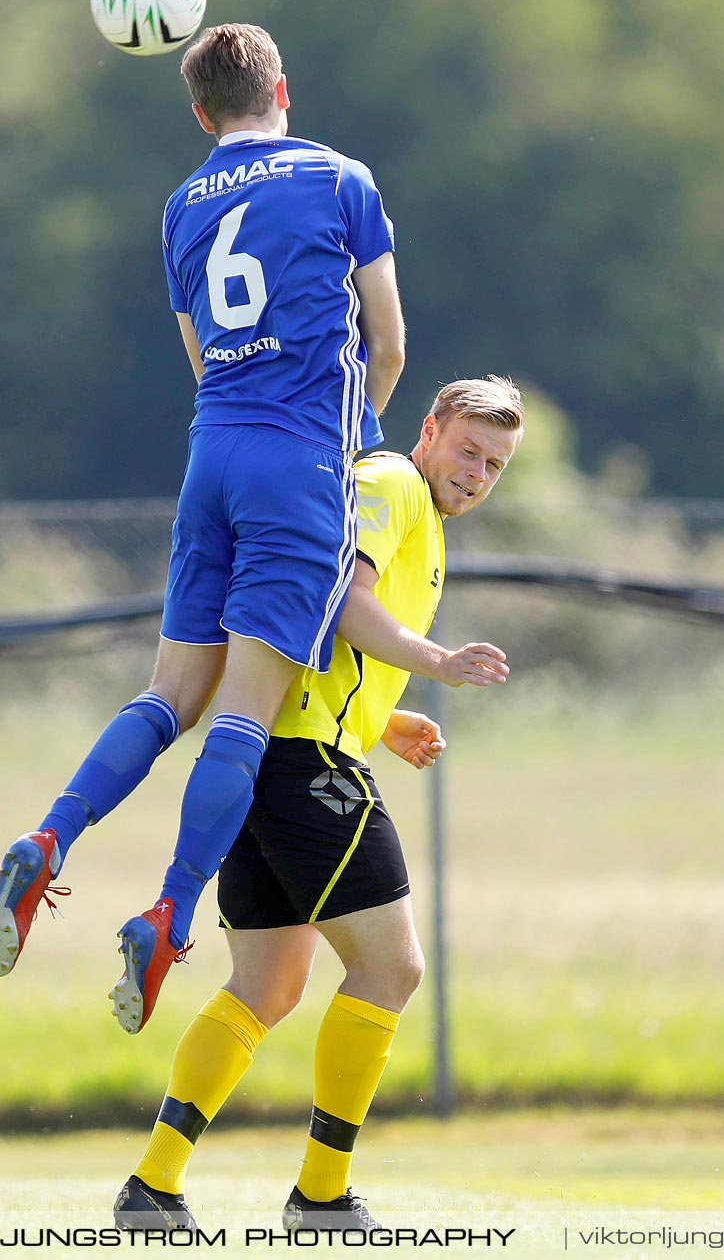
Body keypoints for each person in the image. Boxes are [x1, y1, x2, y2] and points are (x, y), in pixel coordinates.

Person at [0, 23, 421, 1033]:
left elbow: (200, 359)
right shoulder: (342, 179)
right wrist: (350, 449)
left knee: (171, 691)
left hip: (211, 455)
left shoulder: (182, 206)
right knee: (245, 716)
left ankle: (49, 838)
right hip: (299, 463)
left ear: (199, 113)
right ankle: (169, 913)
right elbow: (388, 343)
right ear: (283, 92)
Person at [110, 377, 524, 1234]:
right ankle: (322, 1196)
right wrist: (437, 662)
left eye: (495, 463)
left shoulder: (423, 513)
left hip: (275, 755)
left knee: (266, 985)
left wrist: (385, 715)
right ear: (430, 429)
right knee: (392, 967)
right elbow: (343, 601)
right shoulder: (393, 485)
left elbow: (320, 645)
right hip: (303, 765)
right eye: (469, 450)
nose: (478, 472)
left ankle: (153, 1187)